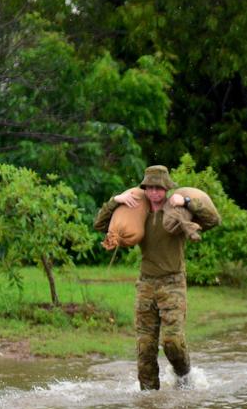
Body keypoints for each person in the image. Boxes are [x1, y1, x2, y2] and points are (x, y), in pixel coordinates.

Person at [94, 165, 221, 390]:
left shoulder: (178, 212)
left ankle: (185, 376)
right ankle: (149, 400)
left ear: (166, 189)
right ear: (145, 188)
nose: (154, 192)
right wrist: (116, 200)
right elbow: (100, 225)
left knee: (172, 342)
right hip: (146, 284)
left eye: (159, 188)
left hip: (173, 283)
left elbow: (212, 221)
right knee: (145, 347)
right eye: (150, 187)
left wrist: (187, 203)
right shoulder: (137, 211)